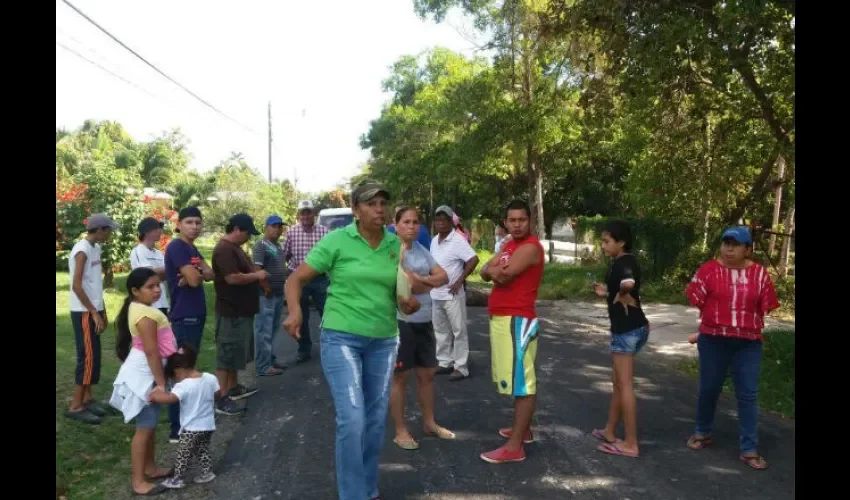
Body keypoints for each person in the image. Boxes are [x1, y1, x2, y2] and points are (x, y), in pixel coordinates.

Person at [283, 180, 420, 500]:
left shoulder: (393, 244)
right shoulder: (337, 241)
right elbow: (296, 279)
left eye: (383, 203)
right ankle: (352, 494)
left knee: (374, 422)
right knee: (353, 417)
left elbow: (397, 292)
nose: (379, 209)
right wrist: (294, 313)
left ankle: (367, 489)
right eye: (371, 203)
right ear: (356, 209)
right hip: (341, 338)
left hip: (384, 341)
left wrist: (407, 303)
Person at [685, 226, 779, 471]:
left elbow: (765, 305)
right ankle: (702, 432)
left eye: (735, 244)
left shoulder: (759, 274)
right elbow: (695, 297)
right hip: (713, 341)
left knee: (747, 395)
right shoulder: (708, 270)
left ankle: (749, 449)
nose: (728, 249)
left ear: (748, 249)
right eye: (726, 243)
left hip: (747, 344)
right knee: (709, 389)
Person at [478, 200, 545, 464]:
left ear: (530, 221)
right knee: (516, 378)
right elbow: (485, 271)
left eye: (522, 220)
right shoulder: (509, 245)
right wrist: (493, 269)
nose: (517, 224)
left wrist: (493, 270)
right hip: (504, 318)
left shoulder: (529, 248)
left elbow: (502, 276)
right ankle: (523, 430)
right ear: (505, 222)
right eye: (512, 220)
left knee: (522, 381)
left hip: (517, 319)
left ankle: (515, 446)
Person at [389, 206, 455, 451]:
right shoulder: (390, 251)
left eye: (416, 222)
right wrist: (422, 282)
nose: (412, 226)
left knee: (427, 375)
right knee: (400, 377)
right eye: (406, 222)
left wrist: (422, 281)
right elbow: (405, 286)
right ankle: (400, 430)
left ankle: (429, 422)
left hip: (425, 320)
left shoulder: (423, 251)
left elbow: (443, 277)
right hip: (400, 322)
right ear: (396, 225)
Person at [109, 267, 177, 496]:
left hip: (149, 375)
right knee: (144, 430)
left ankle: (151, 467)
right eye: (150, 287)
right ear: (135, 291)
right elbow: (151, 351)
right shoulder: (145, 315)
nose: (157, 290)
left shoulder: (141, 308)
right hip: (145, 378)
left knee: (150, 426)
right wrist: (160, 383)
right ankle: (138, 481)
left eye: (158, 285)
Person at [590, 220, 650, 459]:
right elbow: (623, 285)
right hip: (633, 328)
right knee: (617, 382)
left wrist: (623, 290)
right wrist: (608, 292)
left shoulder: (625, 263)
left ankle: (631, 443)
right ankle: (610, 431)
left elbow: (628, 282)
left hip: (626, 332)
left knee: (624, 385)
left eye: (607, 241)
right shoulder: (622, 261)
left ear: (621, 242)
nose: (603, 246)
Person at [164, 206, 214, 441]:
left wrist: (195, 273)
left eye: (198, 222)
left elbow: (210, 274)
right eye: (189, 222)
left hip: (196, 313)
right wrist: (193, 275)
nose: (194, 226)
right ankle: (176, 428)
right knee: (182, 369)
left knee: (189, 366)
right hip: (184, 316)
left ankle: (186, 419)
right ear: (179, 224)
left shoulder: (192, 248)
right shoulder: (176, 246)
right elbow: (195, 280)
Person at [66, 213, 120, 425]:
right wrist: (93, 312)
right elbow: (77, 286)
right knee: (87, 358)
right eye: (108, 230)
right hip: (83, 311)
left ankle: (87, 399)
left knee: (94, 356)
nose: (110, 234)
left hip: (94, 309)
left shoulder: (96, 248)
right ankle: (75, 406)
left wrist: (102, 310)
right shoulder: (82, 250)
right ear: (99, 230)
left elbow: (93, 285)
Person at [211, 213, 267, 414]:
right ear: (236, 230)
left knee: (234, 352)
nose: (248, 237)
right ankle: (221, 398)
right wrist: (257, 275)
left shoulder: (235, 248)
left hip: (240, 311)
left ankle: (233, 387)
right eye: (246, 233)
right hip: (230, 312)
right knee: (225, 355)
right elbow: (232, 278)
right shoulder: (224, 250)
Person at [149, 344, 219, 489]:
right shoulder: (210, 378)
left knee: (183, 453)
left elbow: (170, 399)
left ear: (178, 370)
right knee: (201, 449)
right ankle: (207, 472)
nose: (176, 379)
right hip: (208, 425)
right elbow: (218, 393)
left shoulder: (184, 385)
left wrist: (156, 396)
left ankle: (177, 479)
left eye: (174, 376)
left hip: (191, 428)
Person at [430, 205, 479, 381]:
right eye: (438, 220)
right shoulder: (434, 240)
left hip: (453, 294)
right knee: (440, 330)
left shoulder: (457, 240)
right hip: (436, 294)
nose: (441, 223)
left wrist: (460, 280)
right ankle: (445, 362)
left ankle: (461, 366)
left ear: (451, 222)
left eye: (444, 220)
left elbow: (473, 259)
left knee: (458, 331)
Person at [282, 199, 330, 363]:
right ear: (299, 215)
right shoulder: (291, 232)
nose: (306, 215)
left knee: (328, 313)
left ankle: (330, 347)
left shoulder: (324, 232)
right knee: (300, 315)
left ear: (313, 213)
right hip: (299, 280)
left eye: (308, 212)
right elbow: (285, 255)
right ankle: (304, 349)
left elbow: (332, 257)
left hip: (320, 278)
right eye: (303, 212)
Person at [252, 215, 288, 377]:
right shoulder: (261, 245)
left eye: (280, 226)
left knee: (272, 330)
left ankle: (269, 360)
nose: (277, 229)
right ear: (265, 227)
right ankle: (262, 366)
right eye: (274, 226)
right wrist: (266, 287)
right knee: (263, 331)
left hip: (278, 294)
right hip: (266, 295)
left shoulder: (277, 246)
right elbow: (256, 269)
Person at [130, 217, 170, 315]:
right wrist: (170, 268)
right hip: (147, 305)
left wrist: (159, 272)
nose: (160, 231)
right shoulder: (138, 251)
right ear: (147, 232)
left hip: (162, 302)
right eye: (157, 228)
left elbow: (165, 276)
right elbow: (146, 274)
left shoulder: (159, 253)